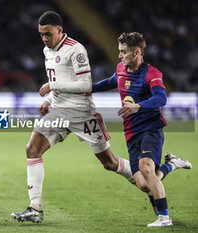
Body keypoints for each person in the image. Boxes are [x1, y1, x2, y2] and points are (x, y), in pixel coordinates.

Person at [11, 11, 139, 224]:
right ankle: (35, 208)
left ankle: (148, 184)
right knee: (32, 148)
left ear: (59, 30)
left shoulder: (76, 50)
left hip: (81, 113)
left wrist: (52, 87)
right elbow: (62, 78)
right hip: (60, 111)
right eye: (41, 34)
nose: (44, 38)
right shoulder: (47, 50)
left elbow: (85, 85)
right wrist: (50, 99)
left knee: (109, 163)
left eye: (48, 34)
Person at [92, 32, 192, 227]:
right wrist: (87, 88)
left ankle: (164, 218)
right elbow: (110, 83)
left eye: (123, 52)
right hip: (131, 133)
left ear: (136, 53)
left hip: (150, 128)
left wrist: (138, 106)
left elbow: (161, 98)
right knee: (145, 184)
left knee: (146, 168)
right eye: (119, 51)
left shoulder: (151, 73)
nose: (119, 55)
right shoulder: (120, 69)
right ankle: (171, 164)